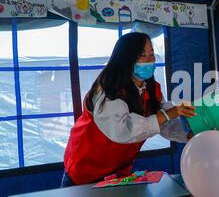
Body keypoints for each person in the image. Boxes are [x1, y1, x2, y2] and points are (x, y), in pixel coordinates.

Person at [61, 32, 196, 187]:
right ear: (126, 58)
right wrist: (168, 113)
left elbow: (164, 123)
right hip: (85, 171)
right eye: (142, 55)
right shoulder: (108, 90)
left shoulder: (152, 88)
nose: (150, 59)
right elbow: (124, 130)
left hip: (118, 171)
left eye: (151, 53)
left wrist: (189, 134)